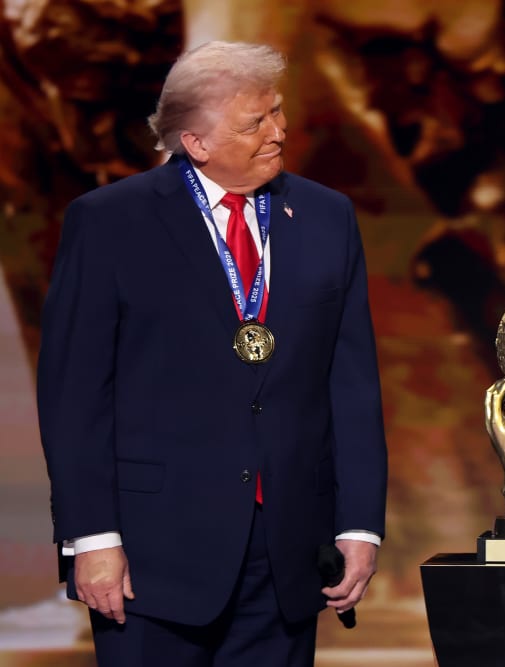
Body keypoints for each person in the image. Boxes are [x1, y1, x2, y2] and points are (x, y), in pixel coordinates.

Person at [36, 41, 388, 666]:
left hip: (286, 553)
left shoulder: (328, 216)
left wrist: (359, 525)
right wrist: (90, 537)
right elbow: (75, 396)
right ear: (194, 142)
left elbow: (351, 383)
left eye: (277, 112)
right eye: (255, 123)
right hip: (149, 557)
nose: (278, 132)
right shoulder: (109, 222)